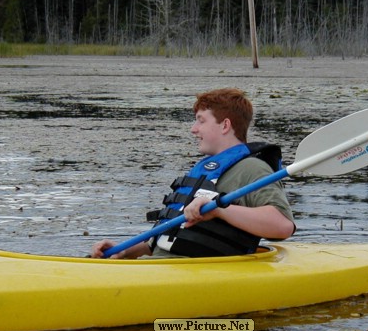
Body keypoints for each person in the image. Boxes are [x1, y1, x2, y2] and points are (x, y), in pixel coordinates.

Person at [91, 88, 295, 259]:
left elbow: (282, 226)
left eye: (201, 121)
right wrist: (125, 251)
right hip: (164, 268)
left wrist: (219, 209)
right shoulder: (206, 172)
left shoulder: (251, 169)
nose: (193, 129)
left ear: (225, 125)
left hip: (197, 275)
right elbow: (170, 241)